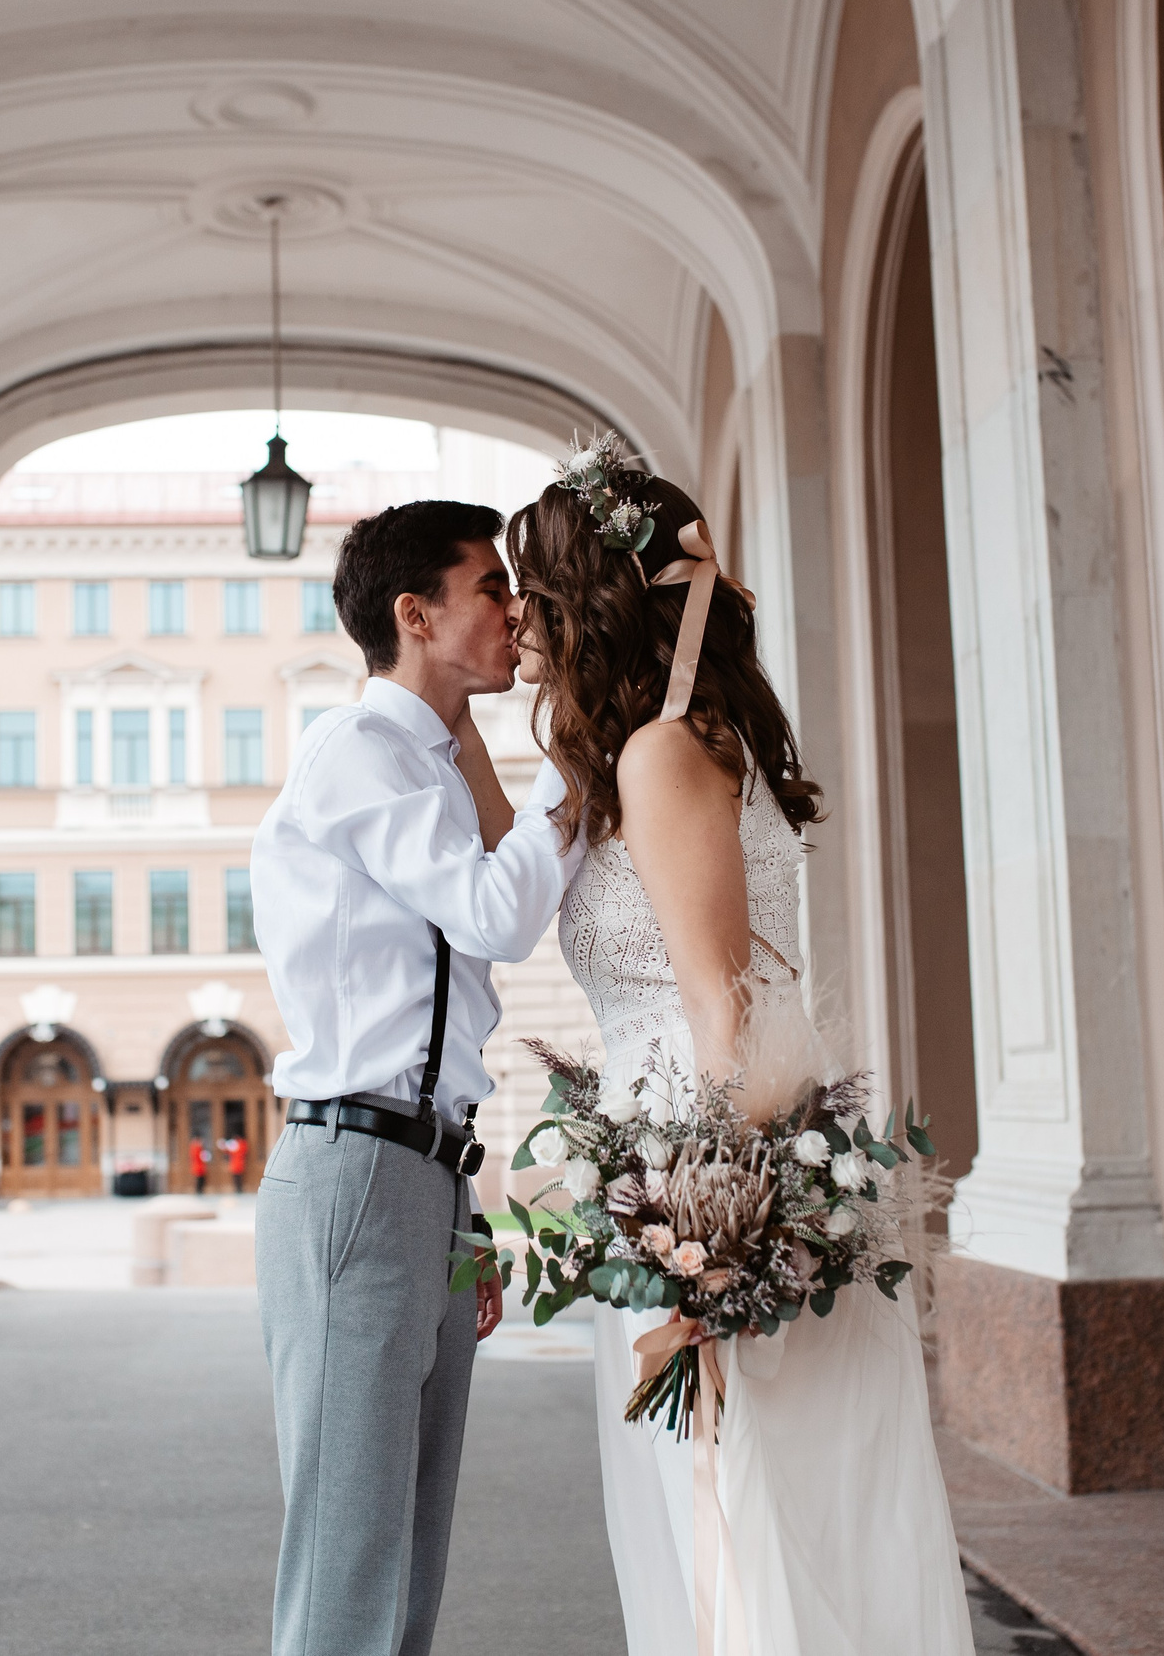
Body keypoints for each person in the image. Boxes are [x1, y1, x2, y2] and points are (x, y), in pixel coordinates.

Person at [508, 449, 977, 1656]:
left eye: (536, 597)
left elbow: (719, 1006)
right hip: (707, 1152)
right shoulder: (678, 741)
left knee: (739, 1500)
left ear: (591, 603)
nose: (521, 624)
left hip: (705, 1176)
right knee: (777, 1504)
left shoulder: (661, 753)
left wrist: (710, 1246)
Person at [251, 499, 579, 1656]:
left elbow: (484, 949)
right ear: (415, 614)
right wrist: (576, 764)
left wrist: (466, 1208)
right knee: (347, 1565)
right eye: (491, 587)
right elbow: (497, 907)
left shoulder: (436, 763)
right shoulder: (357, 754)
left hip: (423, 1175)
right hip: (348, 1175)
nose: (514, 609)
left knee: (406, 1563)